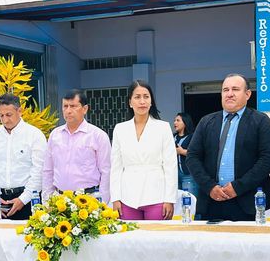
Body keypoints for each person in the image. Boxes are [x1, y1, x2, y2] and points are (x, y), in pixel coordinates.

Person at [186, 74, 270, 221]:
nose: (229, 94)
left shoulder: (261, 121)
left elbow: (269, 160)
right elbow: (192, 157)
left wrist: (237, 187)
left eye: (235, 89)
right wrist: (210, 187)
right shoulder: (206, 122)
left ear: (248, 94)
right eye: (225, 90)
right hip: (211, 202)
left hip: (248, 203)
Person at [110, 80, 177, 221]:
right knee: (130, 235)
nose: (142, 101)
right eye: (137, 97)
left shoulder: (163, 128)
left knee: (156, 235)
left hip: (157, 196)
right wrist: (115, 198)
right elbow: (116, 167)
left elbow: (170, 166)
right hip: (127, 197)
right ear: (130, 102)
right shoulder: (120, 129)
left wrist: (169, 199)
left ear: (151, 101)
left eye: (146, 97)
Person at [0, 93, 47, 220]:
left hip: (28, 200)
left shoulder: (34, 135)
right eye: (1, 115)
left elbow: (39, 171)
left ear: (20, 111)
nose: (5, 120)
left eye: (9, 115)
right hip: (1, 202)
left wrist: (23, 199)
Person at [42, 89, 111, 203]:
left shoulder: (98, 136)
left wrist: (103, 202)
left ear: (85, 109)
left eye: (73, 106)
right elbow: (48, 170)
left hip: (89, 199)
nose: (68, 111)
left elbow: (106, 171)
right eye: (65, 106)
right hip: (59, 200)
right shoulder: (55, 135)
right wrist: (47, 199)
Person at [173, 112, 198, 195]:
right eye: (174, 120)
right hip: (174, 176)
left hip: (188, 174)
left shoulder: (193, 136)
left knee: (188, 199)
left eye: (178, 120)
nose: (175, 123)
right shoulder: (172, 137)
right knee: (177, 199)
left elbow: (198, 153)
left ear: (185, 122)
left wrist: (182, 151)